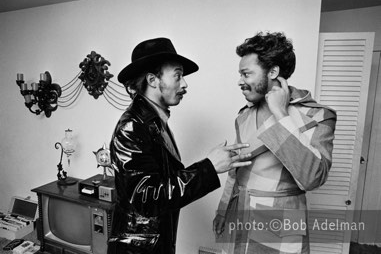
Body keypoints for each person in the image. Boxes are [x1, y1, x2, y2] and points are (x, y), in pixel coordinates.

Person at [107, 37, 252, 254]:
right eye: (177, 75)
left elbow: (164, 179)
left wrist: (211, 165)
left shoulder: (156, 121)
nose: (184, 84)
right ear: (153, 80)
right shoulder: (132, 127)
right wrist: (209, 167)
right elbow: (146, 198)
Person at [213, 32, 337, 254]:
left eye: (246, 73)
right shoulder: (243, 116)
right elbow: (236, 171)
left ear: (273, 72)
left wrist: (281, 114)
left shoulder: (318, 115)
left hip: (279, 228)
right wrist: (223, 211)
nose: (240, 81)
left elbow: (313, 177)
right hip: (237, 216)